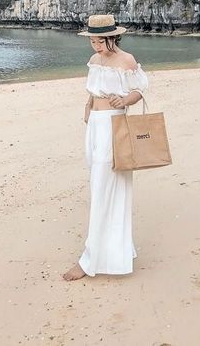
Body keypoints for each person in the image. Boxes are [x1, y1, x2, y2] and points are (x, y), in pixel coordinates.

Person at [62, 14, 148, 281]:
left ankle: (90, 259)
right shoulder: (95, 60)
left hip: (114, 125)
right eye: (92, 41)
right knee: (100, 185)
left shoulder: (127, 60)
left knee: (104, 188)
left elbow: (139, 90)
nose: (96, 46)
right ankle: (117, 250)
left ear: (113, 37)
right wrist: (87, 106)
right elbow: (93, 90)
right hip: (95, 126)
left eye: (100, 41)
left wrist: (124, 100)